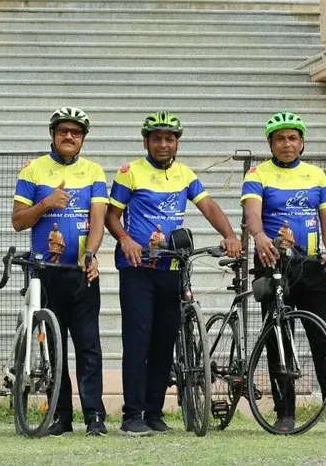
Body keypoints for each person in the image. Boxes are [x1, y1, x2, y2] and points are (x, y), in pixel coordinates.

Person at [106, 112, 242, 436]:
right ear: (146, 142)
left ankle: (154, 413)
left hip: (172, 268)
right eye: (157, 138)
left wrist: (230, 234)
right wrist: (124, 239)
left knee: (164, 344)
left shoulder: (185, 174)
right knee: (138, 342)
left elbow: (208, 206)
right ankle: (131, 415)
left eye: (169, 138)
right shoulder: (130, 173)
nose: (163, 144)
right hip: (138, 269)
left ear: (177, 143)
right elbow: (112, 217)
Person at [242, 111, 326, 435]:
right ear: (271, 143)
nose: (287, 143)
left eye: (293, 138)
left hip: (310, 266)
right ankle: (285, 412)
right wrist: (261, 237)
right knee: (278, 340)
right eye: (280, 138)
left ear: (302, 142)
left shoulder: (316, 175)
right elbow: (252, 214)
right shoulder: (257, 174)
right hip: (273, 265)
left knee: (324, 338)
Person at [11, 107, 108, 437]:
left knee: (89, 347)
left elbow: (97, 221)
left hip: (81, 272)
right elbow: (18, 221)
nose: (69, 136)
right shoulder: (34, 170)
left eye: (76, 132)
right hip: (46, 272)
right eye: (63, 131)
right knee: (55, 349)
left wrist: (92, 254)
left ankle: (95, 416)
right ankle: (62, 417)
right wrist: (46, 204)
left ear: (83, 139)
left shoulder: (94, 171)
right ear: (52, 134)